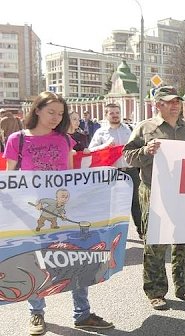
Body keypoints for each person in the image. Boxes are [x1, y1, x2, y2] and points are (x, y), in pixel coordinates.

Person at [2, 91, 114, 334]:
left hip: (65, 212)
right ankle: (36, 313)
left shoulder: (64, 140)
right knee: (34, 262)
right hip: (31, 214)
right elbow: (9, 180)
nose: (56, 118)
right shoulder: (17, 140)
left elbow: (72, 179)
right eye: (51, 112)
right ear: (37, 110)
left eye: (60, 114)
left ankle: (82, 314)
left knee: (77, 260)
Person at [123, 85, 185, 310]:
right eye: (169, 101)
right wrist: (145, 152)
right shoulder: (145, 128)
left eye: (177, 101)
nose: (175, 105)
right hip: (154, 190)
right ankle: (156, 291)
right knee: (157, 243)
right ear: (158, 104)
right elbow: (128, 156)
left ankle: (184, 287)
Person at [88, 103, 142, 239]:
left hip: (131, 171)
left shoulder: (130, 129)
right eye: (111, 113)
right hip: (113, 173)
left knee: (136, 202)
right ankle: (115, 233)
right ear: (106, 115)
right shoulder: (101, 132)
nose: (115, 115)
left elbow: (137, 147)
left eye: (117, 112)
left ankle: (142, 231)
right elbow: (91, 151)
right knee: (115, 205)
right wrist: (105, 146)